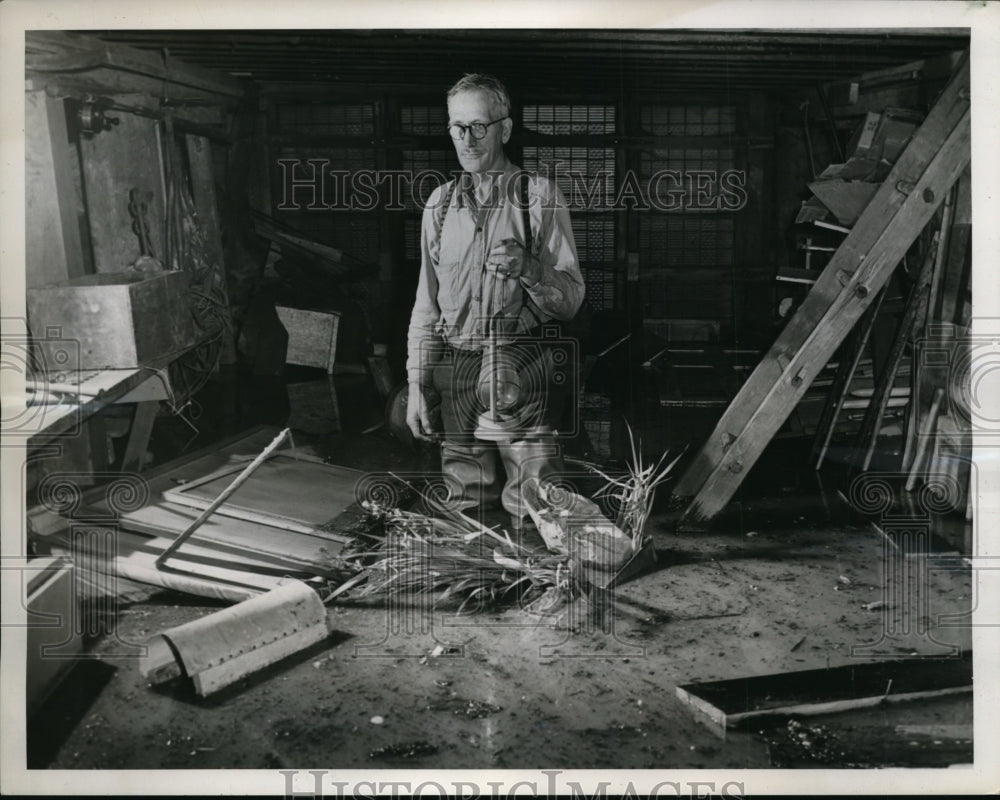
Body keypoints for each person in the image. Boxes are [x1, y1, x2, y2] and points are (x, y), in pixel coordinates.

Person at [405, 73, 585, 531]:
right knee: (463, 504)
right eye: (456, 127)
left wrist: (531, 268)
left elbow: (572, 300)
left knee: (536, 502)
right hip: (458, 369)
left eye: (478, 126)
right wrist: (417, 383)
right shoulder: (439, 205)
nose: (466, 139)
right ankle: (484, 592)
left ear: (504, 129)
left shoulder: (537, 197)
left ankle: (541, 589)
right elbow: (426, 304)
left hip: (524, 361)